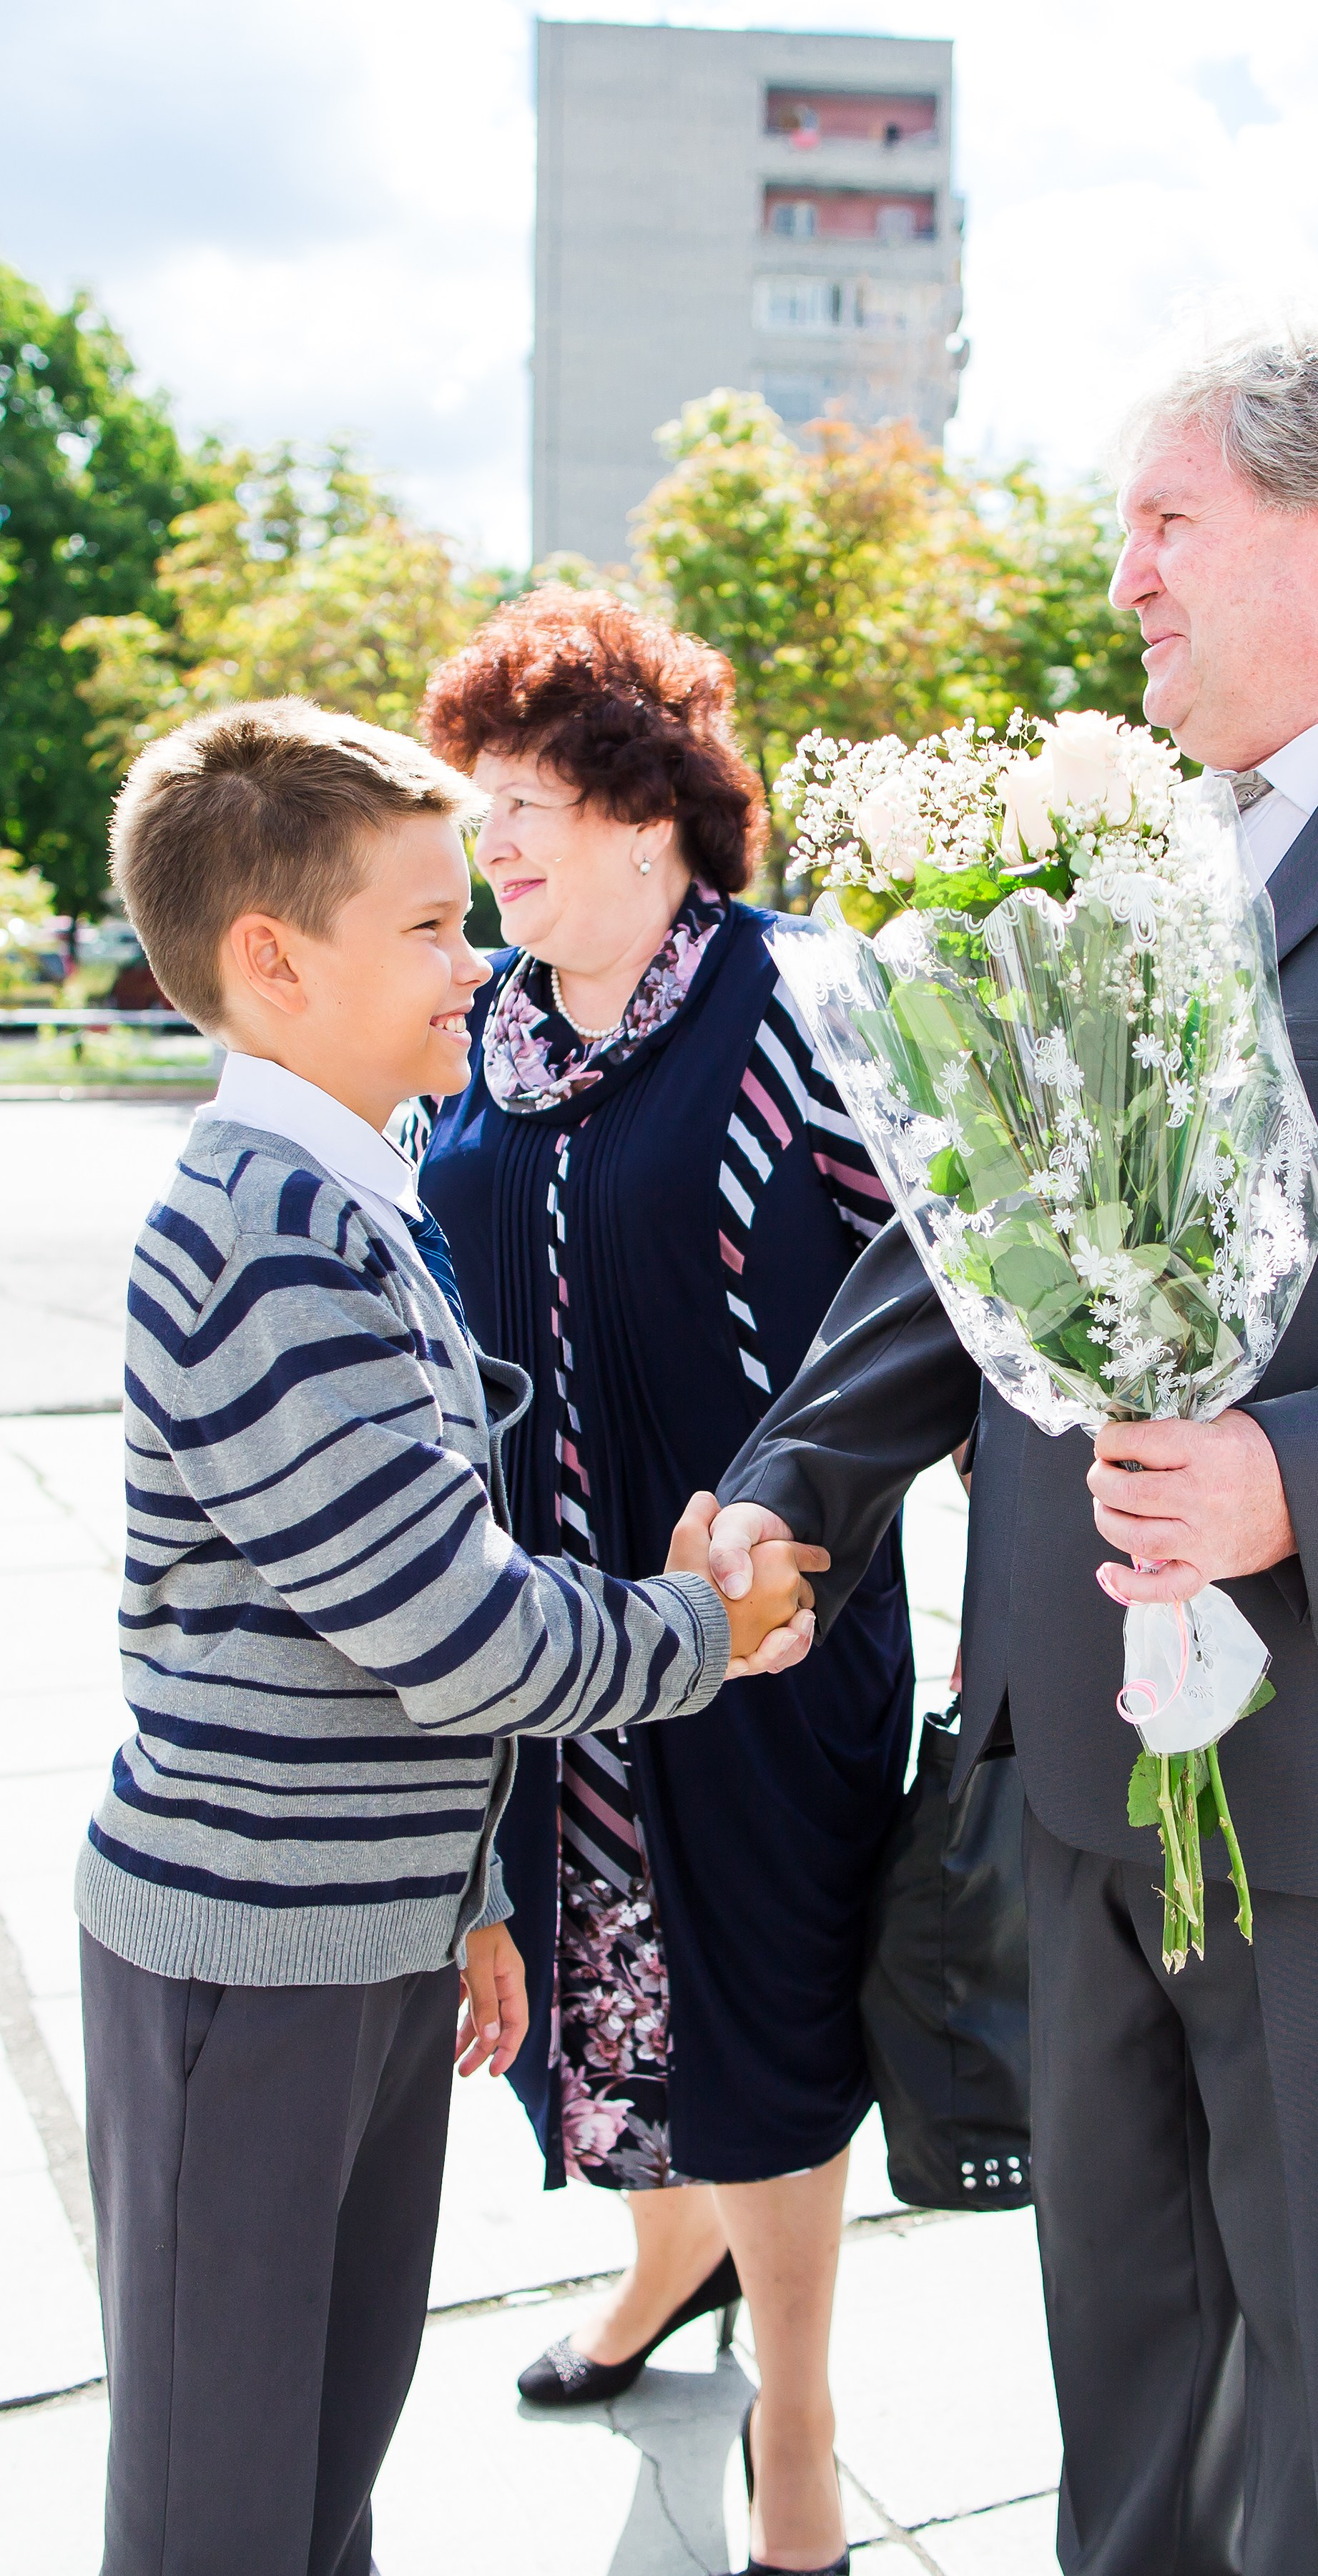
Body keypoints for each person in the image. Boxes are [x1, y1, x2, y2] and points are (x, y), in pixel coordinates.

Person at [709, 320, 1318, 2576]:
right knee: (1127, 2377)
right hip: (1078, 1770)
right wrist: (798, 1477)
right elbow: (974, 1233)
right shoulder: (1124, 851)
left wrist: (1312, 1478)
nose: (1127, 574)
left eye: (1168, 521)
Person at [77, 697, 812, 2576]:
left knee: (319, 2465)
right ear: (268, 957)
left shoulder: (345, 1189)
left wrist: (468, 1889)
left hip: (355, 1936)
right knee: (218, 2508)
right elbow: (450, 1623)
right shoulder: (274, 1237)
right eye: (424, 922)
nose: (472, 955)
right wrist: (702, 1629)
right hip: (250, 1967)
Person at [415, 590, 913, 2576]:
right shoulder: (482, 1024)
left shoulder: (802, 999)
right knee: (599, 1993)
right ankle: (663, 2269)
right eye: (483, 811)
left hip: (761, 1629)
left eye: (529, 802)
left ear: (650, 814)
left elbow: (936, 1296)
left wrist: (798, 1508)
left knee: (762, 2006)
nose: (496, 846)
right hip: (548, 1641)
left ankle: (798, 2405)